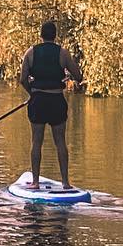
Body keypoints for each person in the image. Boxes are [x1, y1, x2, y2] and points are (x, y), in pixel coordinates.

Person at [18, 22, 84, 190]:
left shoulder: (30, 53)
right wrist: (68, 75)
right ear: (55, 35)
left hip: (38, 101)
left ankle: (35, 182)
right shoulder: (63, 53)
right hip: (56, 100)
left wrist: (32, 93)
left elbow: (23, 79)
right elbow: (78, 76)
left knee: (36, 141)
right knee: (60, 142)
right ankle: (65, 182)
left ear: (41, 35)